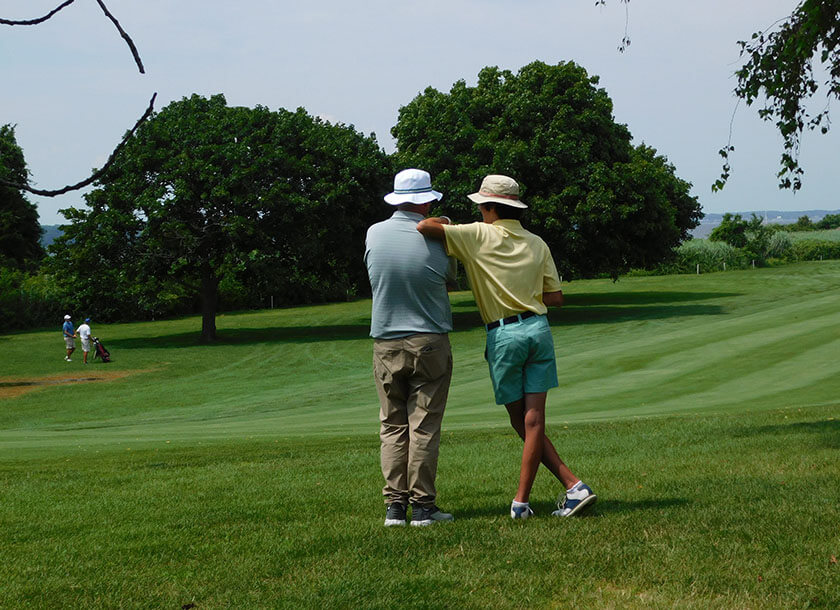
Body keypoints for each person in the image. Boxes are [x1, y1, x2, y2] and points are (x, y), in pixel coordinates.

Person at [417, 174, 596, 520]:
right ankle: (572, 487)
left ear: (488, 207)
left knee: (522, 421)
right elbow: (556, 297)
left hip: (505, 335)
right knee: (534, 421)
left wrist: (446, 221)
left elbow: (425, 226)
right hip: (539, 329)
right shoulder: (537, 242)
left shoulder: (476, 234)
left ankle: (522, 503)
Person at [364, 168, 457, 527]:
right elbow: (449, 277)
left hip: (385, 341)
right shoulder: (439, 237)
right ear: (426, 201)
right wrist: (443, 225)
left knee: (392, 425)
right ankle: (422, 507)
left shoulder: (374, 232)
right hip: (429, 340)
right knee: (423, 427)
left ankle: (394, 508)